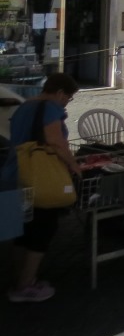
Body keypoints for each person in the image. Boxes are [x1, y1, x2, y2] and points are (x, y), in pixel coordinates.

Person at [5, 73, 81, 303]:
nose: (67, 102)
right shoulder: (50, 108)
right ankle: (25, 285)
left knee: (21, 231)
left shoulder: (24, 106)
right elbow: (56, 142)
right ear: (60, 93)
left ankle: (19, 279)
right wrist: (73, 165)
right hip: (40, 179)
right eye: (68, 98)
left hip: (14, 174)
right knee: (42, 230)